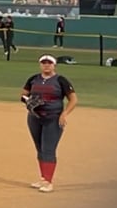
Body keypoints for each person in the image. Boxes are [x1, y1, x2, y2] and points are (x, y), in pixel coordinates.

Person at [21, 55, 77, 192]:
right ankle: (43, 179)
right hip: (34, 118)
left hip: (53, 118)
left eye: (49, 63)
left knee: (48, 149)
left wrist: (64, 114)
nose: (46, 65)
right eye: (43, 63)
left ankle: (48, 182)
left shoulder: (60, 80)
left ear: (54, 65)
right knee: (40, 148)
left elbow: (73, 99)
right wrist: (28, 101)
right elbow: (23, 94)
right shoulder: (33, 79)